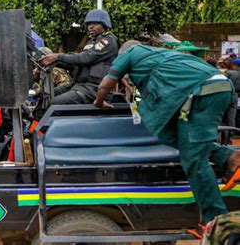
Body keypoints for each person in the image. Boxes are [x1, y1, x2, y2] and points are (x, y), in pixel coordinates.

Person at [93, 40, 240, 238]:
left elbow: (106, 84)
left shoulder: (130, 53)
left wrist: (99, 102)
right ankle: (230, 159)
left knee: (194, 160)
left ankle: (214, 222)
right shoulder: (162, 55)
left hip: (203, 94)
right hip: (215, 88)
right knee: (180, 140)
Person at [40, 9, 119, 104]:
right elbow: (77, 62)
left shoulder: (108, 41)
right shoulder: (91, 42)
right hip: (79, 85)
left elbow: (85, 58)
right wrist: (54, 61)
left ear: (105, 25)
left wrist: (58, 56)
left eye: (95, 24)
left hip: (94, 89)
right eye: (89, 24)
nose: (91, 27)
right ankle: (34, 119)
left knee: (55, 103)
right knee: (44, 95)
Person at [224, 58, 240, 127]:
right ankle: (232, 131)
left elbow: (223, 82)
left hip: (227, 93)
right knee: (232, 116)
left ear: (235, 65)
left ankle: (222, 131)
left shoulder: (230, 72)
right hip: (236, 95)